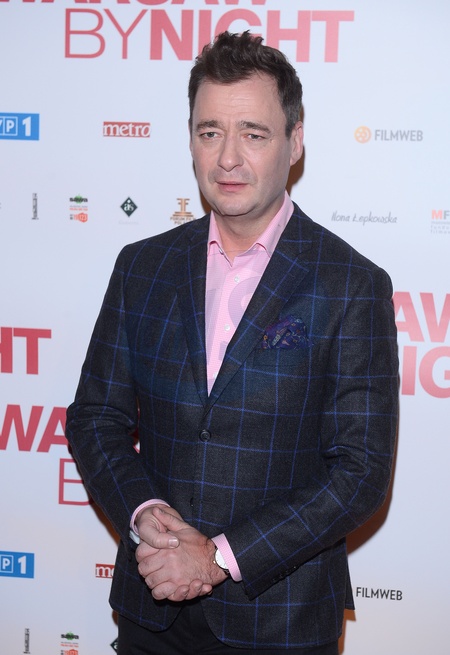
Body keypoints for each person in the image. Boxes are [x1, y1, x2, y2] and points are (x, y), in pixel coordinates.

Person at [66, 31, 399, 655]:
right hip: (151, 609)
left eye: (254, 133)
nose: (227, 158)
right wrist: (144, 515)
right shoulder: (142, 267)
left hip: (280, 621)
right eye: (210, 131)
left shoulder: (351, 284)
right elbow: (95, 417)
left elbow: (361, 471)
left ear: (294, 143)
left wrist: (219, 557)